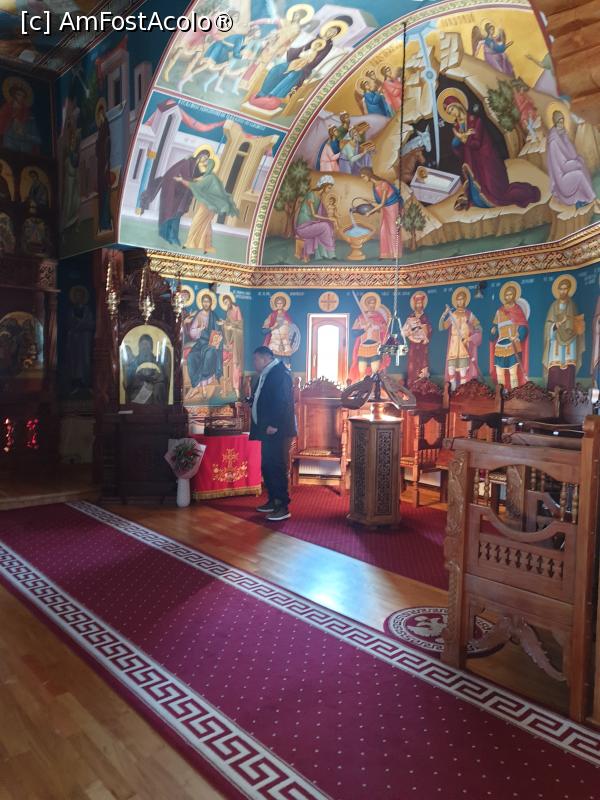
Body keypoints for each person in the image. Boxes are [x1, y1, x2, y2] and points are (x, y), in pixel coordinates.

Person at [438, 91, 540, 210]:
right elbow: (459, 150)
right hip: (471, 161)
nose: (451, 113)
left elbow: (476, 143)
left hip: (485, 159)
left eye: (451, 109)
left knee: (495, 195)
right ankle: (475, 198)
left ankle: (524, 193)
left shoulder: (475, 121)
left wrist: (463, 138)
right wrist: (457, 143)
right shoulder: (456, 127)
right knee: (476, 195)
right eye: (449, 112)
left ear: (458, 106)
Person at [249, 345, 297, 522]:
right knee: (267, 465)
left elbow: (282, 401)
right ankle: (272, 500)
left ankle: (282, 506)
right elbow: (266, 397)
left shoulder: (279, 374)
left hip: (277, 429)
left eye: (255, 359)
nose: (253, 363)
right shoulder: (268, 372)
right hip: (266, 428)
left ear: (265, 358)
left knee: (276, 466)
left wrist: (274, 424)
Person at [174, 150, 238, 253]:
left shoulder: (209, 178)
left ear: (210, 167)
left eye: (206, 165)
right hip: (210, 206)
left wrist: (181, 180)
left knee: (196, 222)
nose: (205, 167)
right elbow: (198, 183)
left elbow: (195, 186)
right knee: (206, 224)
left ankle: (190, 243)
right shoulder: (212, 178)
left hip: (207, 206)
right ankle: (206, 246)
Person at [546, 109, 596, 209]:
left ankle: (584, 197)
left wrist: (565, 137)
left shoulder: (561, 134)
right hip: (562, 180)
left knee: (581, 163)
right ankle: (591, 198)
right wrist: (576, 163)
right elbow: (563, 166)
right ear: (555, 122)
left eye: (563, 121)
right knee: (579, 173)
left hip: (567, 171)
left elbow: (572, 155)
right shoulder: (554, 142)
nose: (562, 124)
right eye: (559, 121)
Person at [543, 274, 585, 391]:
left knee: (568, 366)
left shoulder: (573, 305)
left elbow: (577, 324)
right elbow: (547, 325)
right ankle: (552, 395)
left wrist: (571, 322)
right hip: (556, 340)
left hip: (570, 341)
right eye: (561, 289)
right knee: (554, 368)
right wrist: (555, 325)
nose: (563, 291)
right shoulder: (553, 306)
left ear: (569, 289)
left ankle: (569, 395)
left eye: (565, 288)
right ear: (558, 290)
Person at [439, 287, 482, 390]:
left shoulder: (469, 314)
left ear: (465, 300)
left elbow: (479, 328)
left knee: (463, 372)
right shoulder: (452, 315)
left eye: (462, 299)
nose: (459, 301)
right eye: (458, 299)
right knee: (451, 370)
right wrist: (445, 313)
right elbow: (441, 327)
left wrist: (470, 337)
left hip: (464, 345)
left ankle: (462, 392)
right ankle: (453, 392)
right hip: (453, 346)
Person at [489, 281, 529, 388]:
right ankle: (502, 393)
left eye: (510, 294)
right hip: (500, 345)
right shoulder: (499, 311)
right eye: (506, 295)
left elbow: (523, 326)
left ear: (514, 296)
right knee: (500, 373)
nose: (508, 297)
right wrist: (493, 331)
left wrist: (517, 335)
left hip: (513, 344)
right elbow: (496, 327)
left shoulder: (517, 310)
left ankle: (514, 393)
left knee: (513, 373)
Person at [361, 166, 402, 259]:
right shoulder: (374, 186)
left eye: (363, 176)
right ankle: (385, 254)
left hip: (392, 207)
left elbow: (382, 203)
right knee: (383, 230)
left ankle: (395, 254)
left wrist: (370, 212)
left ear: (368, 175)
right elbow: (380, 203)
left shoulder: (384, 184)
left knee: (393, 229)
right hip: (385, 208)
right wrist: (369, 201)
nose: (363, 179)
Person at [294, 175, 337, 261]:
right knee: (325, 226)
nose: (329, 190)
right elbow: (314, 214)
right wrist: (329, 219)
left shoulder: (320, 197)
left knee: (326, 226)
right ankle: (331, 253)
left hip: (311, 225)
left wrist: (331, 219)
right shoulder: (311, 194)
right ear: (324, 185)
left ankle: (323, 255)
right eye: (329, 187)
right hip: (303, 227)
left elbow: (320, 214)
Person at [402, 291, 432, 385]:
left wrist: (423, 328)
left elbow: (428, 331)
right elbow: (404, 331)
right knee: (412, 363)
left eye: (420, 303)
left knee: (422, 362)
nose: (419, 305)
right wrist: (409, 332)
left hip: (422, 345)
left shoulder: (424, 317)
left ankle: (421, 385)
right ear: (415, 305)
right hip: (413, 344)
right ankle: (411, 384)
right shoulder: (411, 317)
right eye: (417, 303)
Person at [95, 100, 113, 233]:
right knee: (102, 194)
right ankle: (103, 222)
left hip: (104, 164)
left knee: (105, 193)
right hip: (101, 165)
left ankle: (105, 222)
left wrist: (106, 163)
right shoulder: (101, 129)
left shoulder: (105, 129)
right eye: (99, 114)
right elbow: (98, 150)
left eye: (101, 113)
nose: (100, 116)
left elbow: (105, 147)